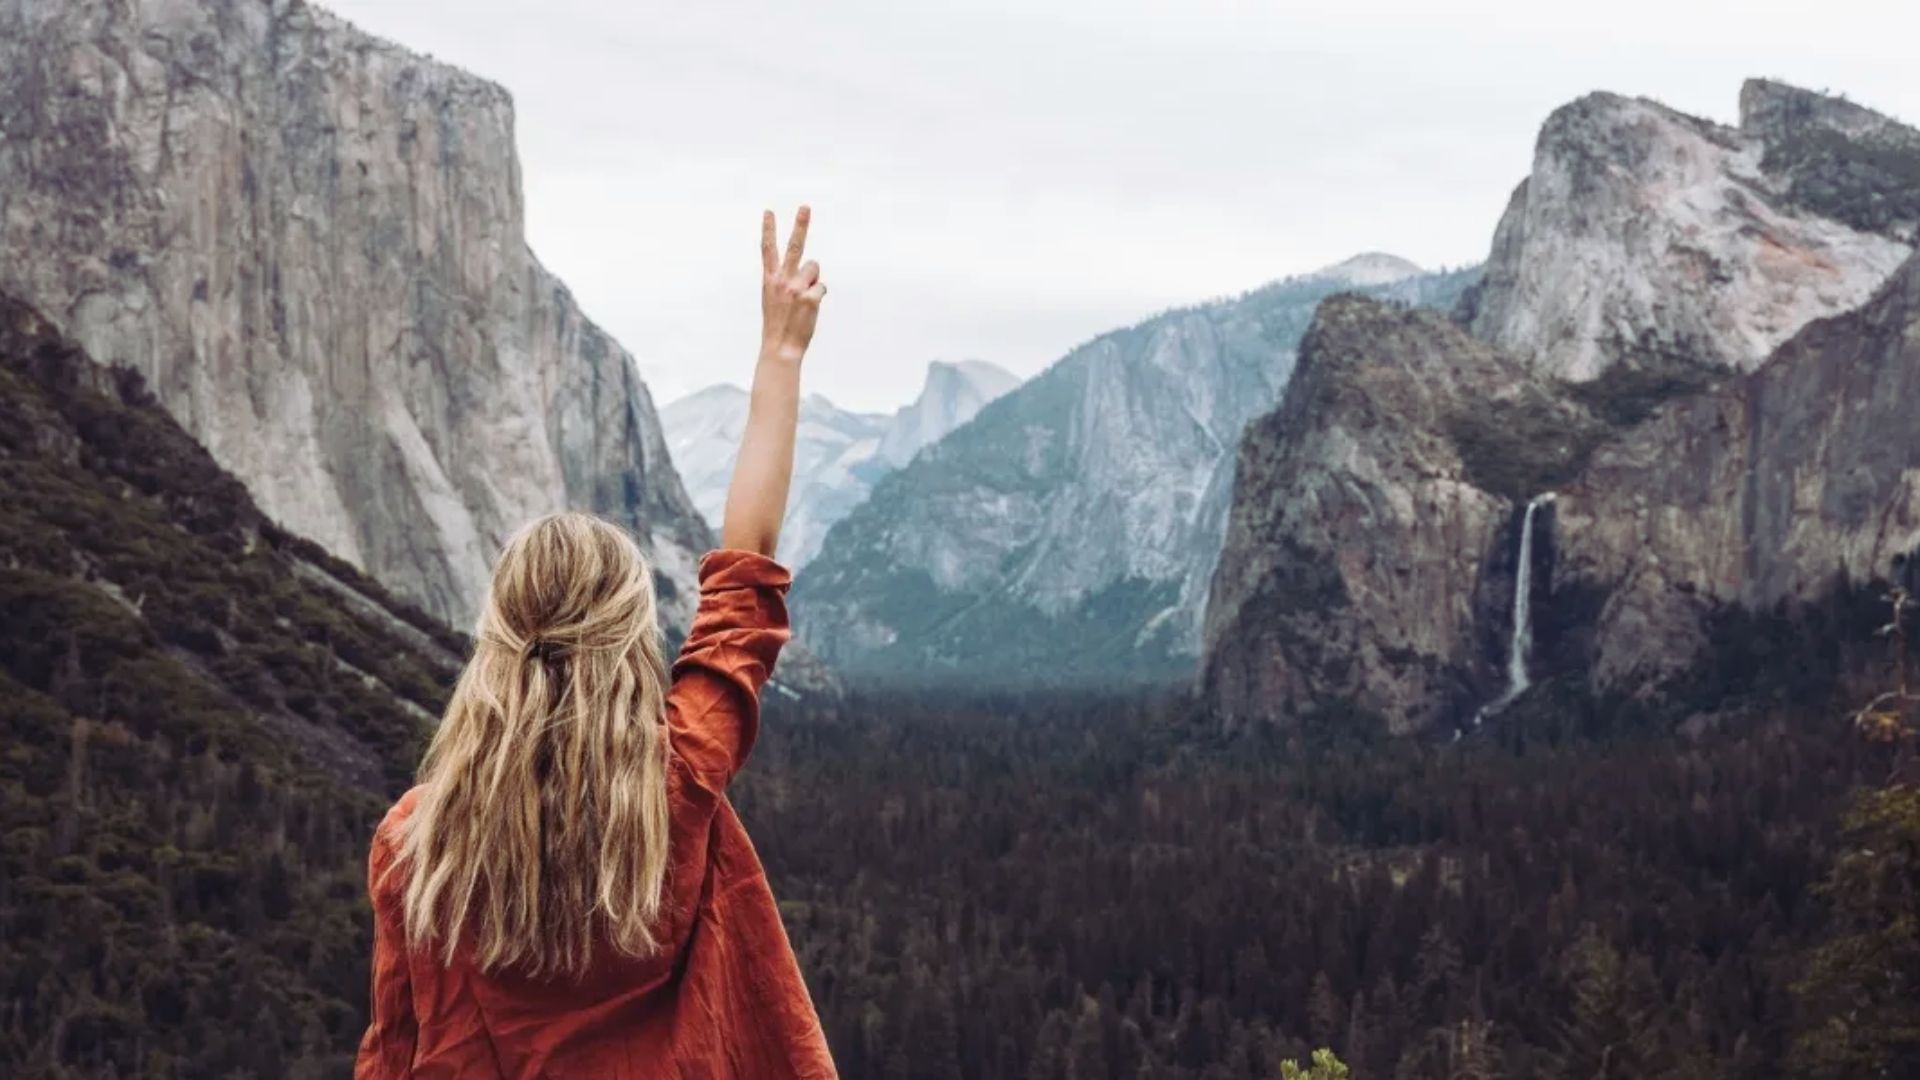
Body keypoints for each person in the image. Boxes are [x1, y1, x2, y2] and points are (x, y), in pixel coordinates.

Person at [355, 209, 835, 1078]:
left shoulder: (412, 847)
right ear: (627, 641)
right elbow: (745, 579)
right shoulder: (678, 778)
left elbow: (395, 1052)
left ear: (496, 636)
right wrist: (781, 354)